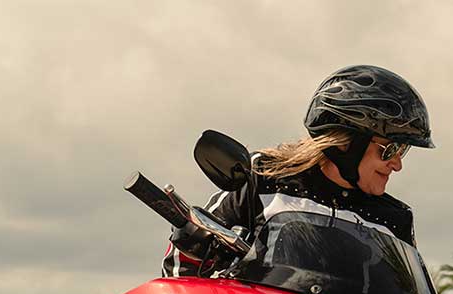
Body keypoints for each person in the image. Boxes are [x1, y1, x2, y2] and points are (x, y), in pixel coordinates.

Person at [163, 64, 433, 279]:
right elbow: (184, 262)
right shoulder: (265, 176)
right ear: (346, 143)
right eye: (389, 149)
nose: (397, 164)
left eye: (403, 151)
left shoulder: (394, 219)